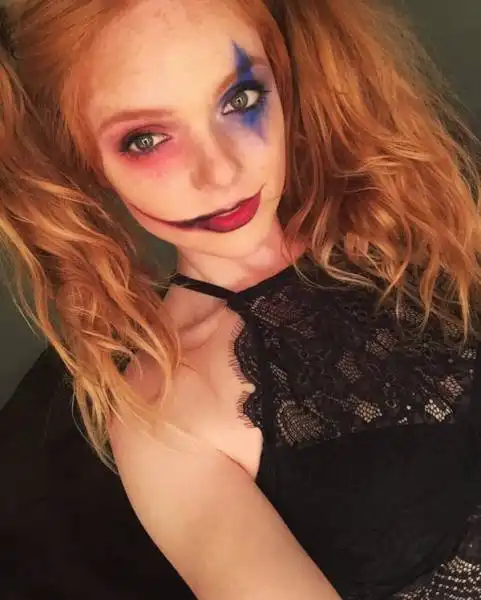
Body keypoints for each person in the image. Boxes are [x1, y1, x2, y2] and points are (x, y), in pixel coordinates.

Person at [1, 0, 481, 597]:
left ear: (282, 78)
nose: (221, 172)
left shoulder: (408, 214)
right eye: (145, 139)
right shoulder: (169, 414)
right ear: (84, 158)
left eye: (241, 99)